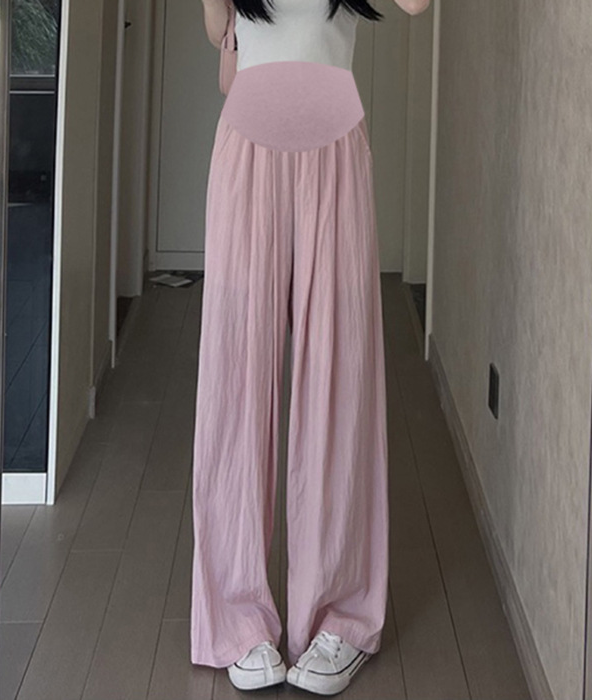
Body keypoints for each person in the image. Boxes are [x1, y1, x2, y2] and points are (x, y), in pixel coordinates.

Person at [191, 0, 431, 694]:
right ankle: (237, 618)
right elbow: (219, 30)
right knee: (236, 379)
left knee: (338, 376)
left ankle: (340, 617)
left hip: (336, 149)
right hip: (248, 147)